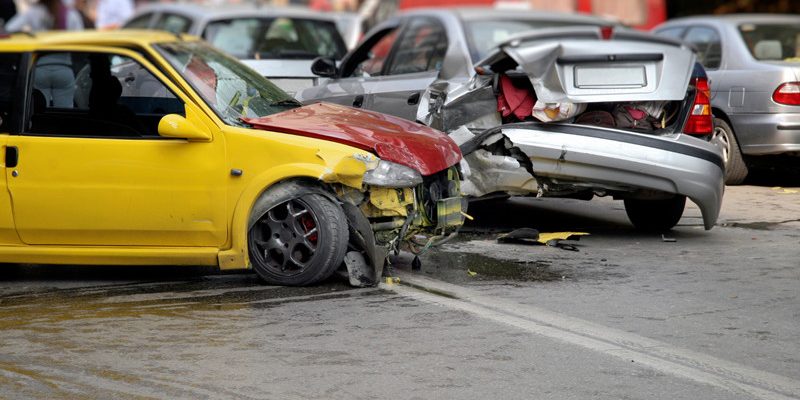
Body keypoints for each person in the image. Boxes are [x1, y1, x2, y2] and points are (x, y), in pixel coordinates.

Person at [5, 0, 83, 108]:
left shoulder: (34, 12)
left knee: (40, 112)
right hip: (64, 69)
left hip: (40, 68)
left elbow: (9, 29)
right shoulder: (71, 13)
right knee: (66, 112)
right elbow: (81, 39)